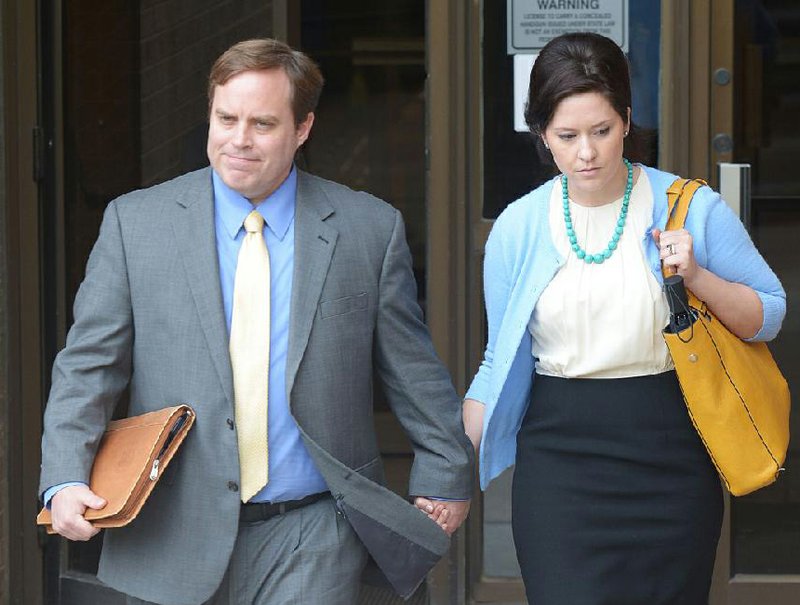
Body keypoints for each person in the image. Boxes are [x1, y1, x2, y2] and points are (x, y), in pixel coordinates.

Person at [39, 38, 473, 605]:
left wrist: (445, 472)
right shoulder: (135, 225)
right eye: (226, 118)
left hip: (314, 528)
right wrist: (65, 477)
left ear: (303, 128)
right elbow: (89, 367)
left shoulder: (368, 230)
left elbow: (412, 371)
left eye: (263, 124)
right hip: (171, 527)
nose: (239, 140)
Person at [460, 32, 786, 604]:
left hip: (669, 450)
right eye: (567, 136)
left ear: (628, 120)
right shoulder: (518, 227)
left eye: (601, 131)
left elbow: (770, 316)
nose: (586, 152)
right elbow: (499, 353)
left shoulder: (690, 207)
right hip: (559, 458)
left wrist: (699, 278)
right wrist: (466, 439)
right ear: (541, 134)